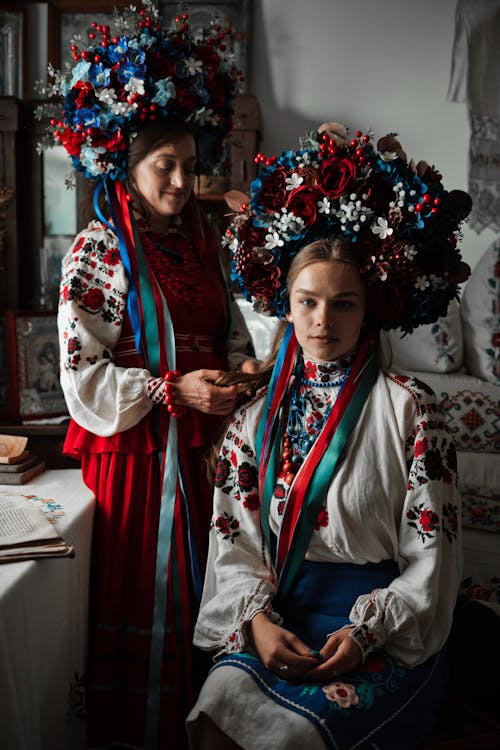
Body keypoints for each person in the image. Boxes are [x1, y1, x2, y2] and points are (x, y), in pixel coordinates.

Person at [186, 122, 472, 749]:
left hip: (382, 632)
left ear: (368, 309)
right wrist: (256, 624)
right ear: (284, 305)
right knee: (211, 722)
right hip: (279, 617)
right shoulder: (253, 416)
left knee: (291, 739)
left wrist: (366, 633)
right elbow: (232, 545)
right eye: (308, 301)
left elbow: (433, 562)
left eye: (343, 304)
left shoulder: (413, 411)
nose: (323, 320)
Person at [39, 2, 258, 748]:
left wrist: (236, 372)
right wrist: (170, 390)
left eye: (188, 165)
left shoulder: (199, 244)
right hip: (136, 454)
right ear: (125, 170)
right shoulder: (99, 253)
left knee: (213, 584)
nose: (178, 179)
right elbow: (87, 379)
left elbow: (220, 336)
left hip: (199, 444)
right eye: (164, 164)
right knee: (153, 591)